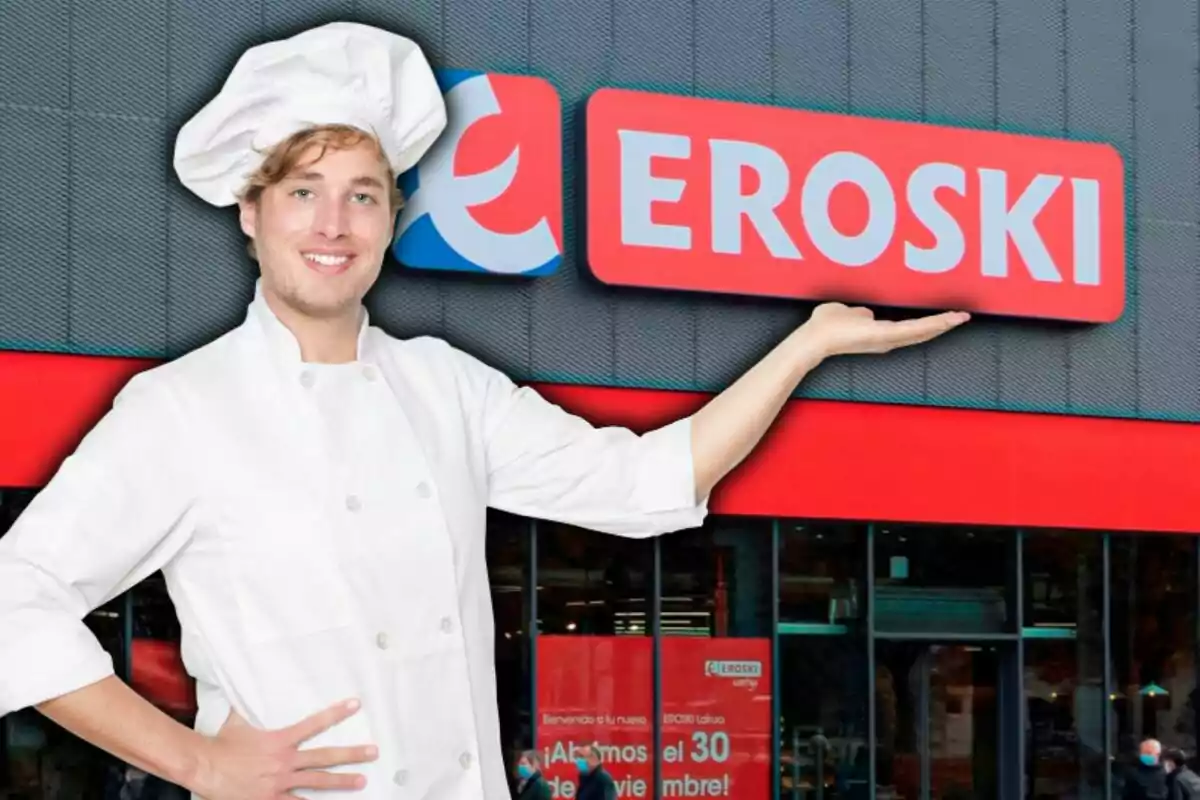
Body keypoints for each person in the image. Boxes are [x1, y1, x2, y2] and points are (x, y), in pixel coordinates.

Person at [0, 19, 968, 800]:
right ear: (250, 215)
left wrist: (809, 343)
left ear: (390, 220)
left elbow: (645, 478)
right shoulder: (182, 409)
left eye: (364, 195)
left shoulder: (444, 386)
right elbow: (15, 599)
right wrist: (199, 761)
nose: (333, 224)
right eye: (304, 191)